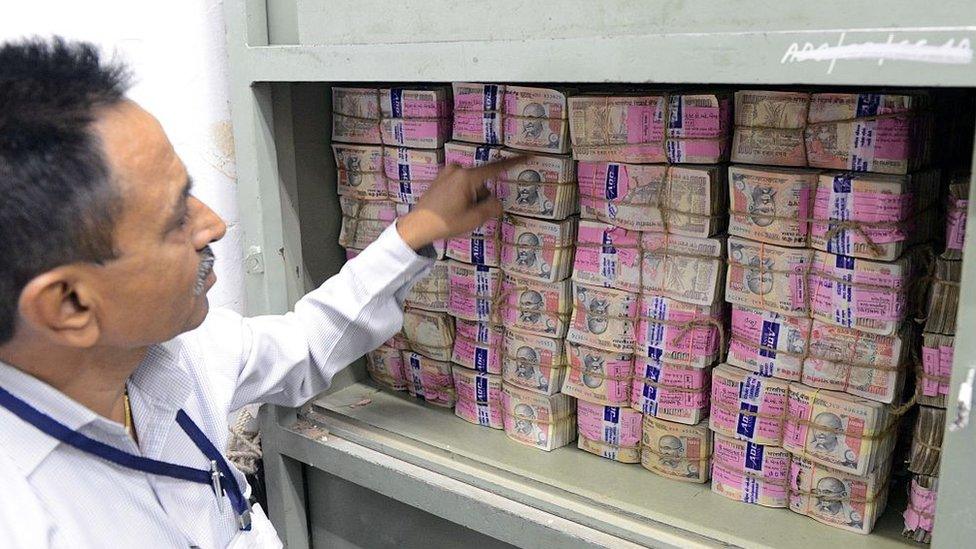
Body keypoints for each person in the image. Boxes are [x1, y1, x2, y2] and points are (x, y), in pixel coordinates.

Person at [0, 38, 518, 548]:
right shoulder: (24, 516)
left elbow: (305, 343)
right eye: (176, 217)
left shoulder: (164, 355)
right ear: (69, 304)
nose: (216, 224)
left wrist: (417, 231)